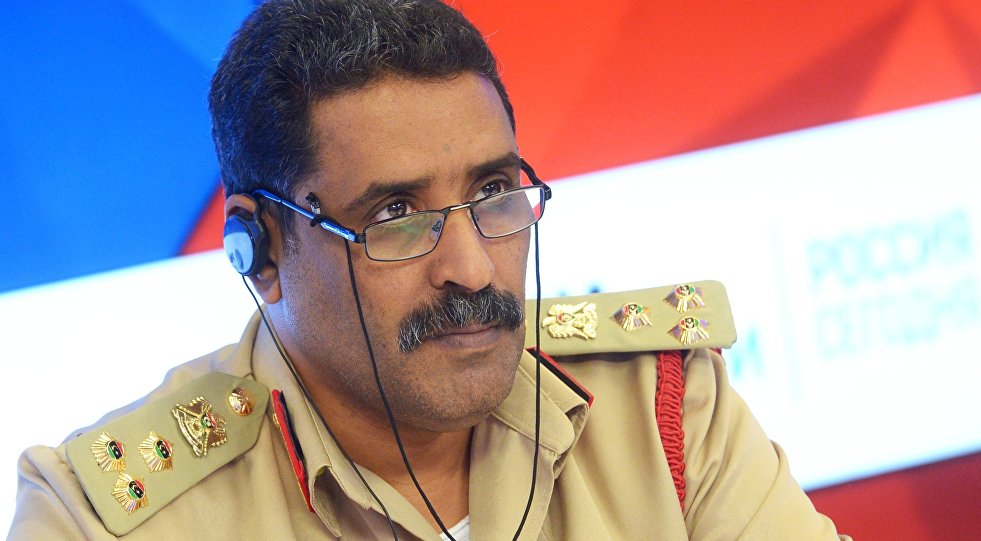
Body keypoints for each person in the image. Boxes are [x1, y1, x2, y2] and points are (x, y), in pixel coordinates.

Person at [8, 1, 849, 539]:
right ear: (259, 251)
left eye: (492, 192)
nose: (473, 267)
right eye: (394, 215)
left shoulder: (662, 403)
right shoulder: (101, 517)